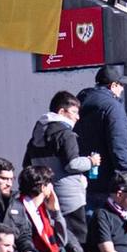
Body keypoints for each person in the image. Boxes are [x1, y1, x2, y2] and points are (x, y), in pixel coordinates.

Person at [24, 91, 99, 236]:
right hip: (70, 199)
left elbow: (27, 164)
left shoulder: (36, 136)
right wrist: (91, 161)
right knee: (77, 239)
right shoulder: (66, 134)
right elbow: (72, 164)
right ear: (61, 112)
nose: (77, 117)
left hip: (43, 196)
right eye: (74, 112)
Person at [76, 64, 127, 198]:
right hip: (107, 183)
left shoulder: (78, 104)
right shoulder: (113, 107)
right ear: (113, 85)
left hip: (80, 180)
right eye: (121, 85)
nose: (122, 89)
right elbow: (119, 148)